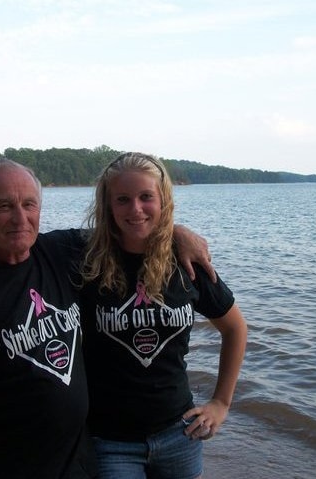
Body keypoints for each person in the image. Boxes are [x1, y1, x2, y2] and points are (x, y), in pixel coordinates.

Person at [0, 159, 214, 479]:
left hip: (79, 463)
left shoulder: (58, 252)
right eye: (4, 206)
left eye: (29, 204)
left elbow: (129, 229)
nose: (20, 218)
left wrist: (176, 233)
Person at [80, 153, 248, 478]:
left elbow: (236, 329)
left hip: (180, 433)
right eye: (123, 199)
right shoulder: (87, 262)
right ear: (108, 205)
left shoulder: (186, 264)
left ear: (163, 200)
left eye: (146, 197)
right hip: (111, 441)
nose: (136, 209)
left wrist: (221, 404)